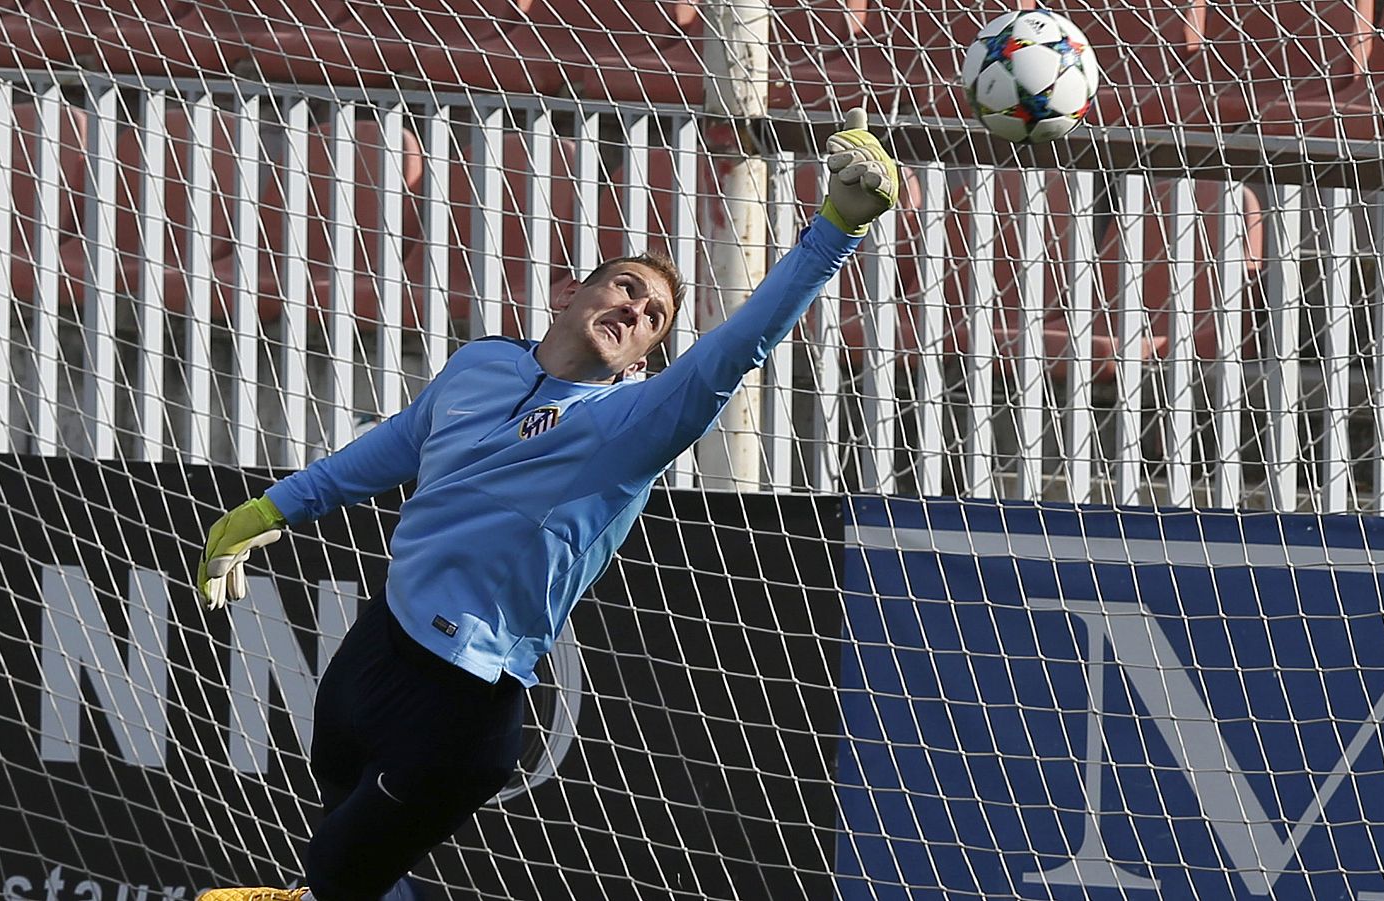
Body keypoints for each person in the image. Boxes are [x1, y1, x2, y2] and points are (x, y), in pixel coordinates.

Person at [192, 109, 897, 901]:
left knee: (332, 877)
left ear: (644, 357)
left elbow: (735, 351)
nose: (636, 310)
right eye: (626, 288)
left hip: (461, 703)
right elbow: (402, 443)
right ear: (569, 292)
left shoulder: (626, 424)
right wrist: (272, 509)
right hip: (375, 648)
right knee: (350, 845)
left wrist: (836, 228)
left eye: (654, 318)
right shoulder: (481, 363)